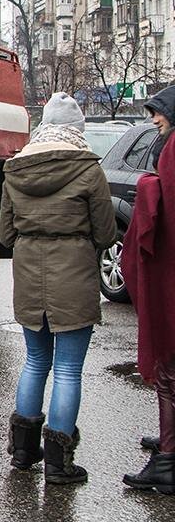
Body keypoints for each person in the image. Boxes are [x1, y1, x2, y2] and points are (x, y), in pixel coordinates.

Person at [0, 92, 117, 484]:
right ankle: (58, 463)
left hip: (30, 279)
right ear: (76, 130)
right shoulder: (88, 169)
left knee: (35, 362)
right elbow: (105, 231)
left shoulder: (15, 170)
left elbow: (4, 233)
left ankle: (22, 451)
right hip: (74, 279)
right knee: (68, 369)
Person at [121, 85, 175, 495]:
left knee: (168, 364)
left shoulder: (172, 151)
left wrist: (148, 188)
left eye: (158, 113)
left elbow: (163, 210)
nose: (154, 120)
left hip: (169, 274)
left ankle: (169, 460)